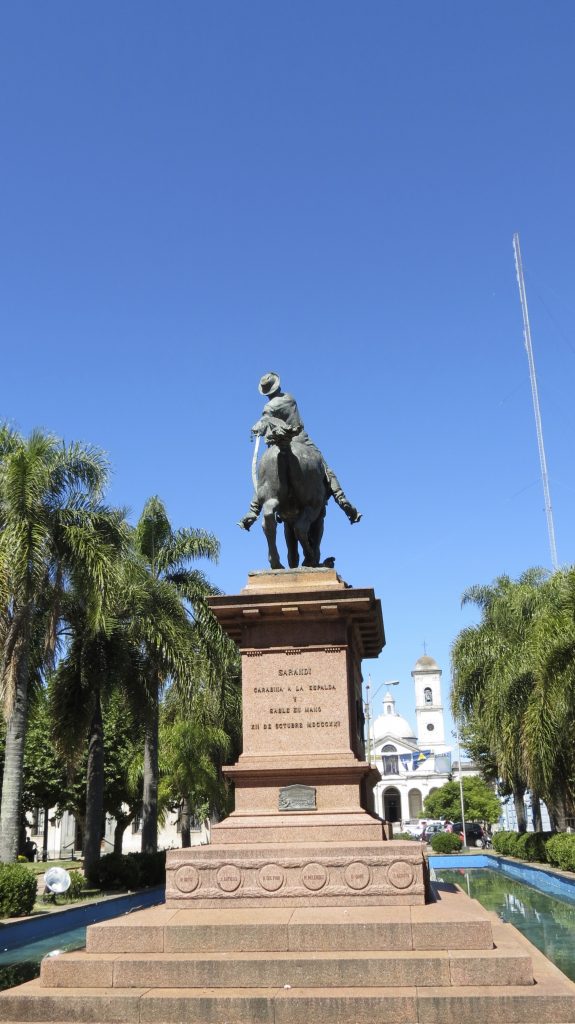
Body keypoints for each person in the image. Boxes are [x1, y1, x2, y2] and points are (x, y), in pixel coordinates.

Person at [239, 372, 361, 529]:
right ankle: (343, 501)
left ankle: (253, 510)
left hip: (279, 444)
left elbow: (266, 420)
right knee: (326, 469)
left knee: (265, 479)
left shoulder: (268, 407)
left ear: (266, 392)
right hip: (302, 440)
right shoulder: (290, 398)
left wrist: (260, 426)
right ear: (277, 386)